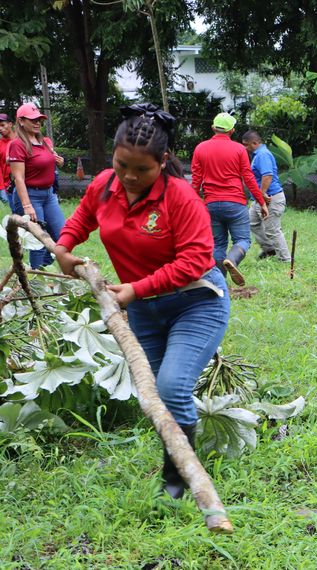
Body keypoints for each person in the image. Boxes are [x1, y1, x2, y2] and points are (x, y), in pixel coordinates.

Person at [54, 103, 230, 500]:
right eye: (121, 165)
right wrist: (64, 247)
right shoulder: (103, 185)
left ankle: (177, 482)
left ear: (163, 161)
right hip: (145, 313)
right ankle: (179, 462)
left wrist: (136, 288)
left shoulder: (181, 198)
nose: (130, 177)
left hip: (195, 302)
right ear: (112, 157)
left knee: (170, 387)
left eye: (142, 170)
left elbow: (196, 260)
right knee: (151, 393)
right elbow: (82, 219)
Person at [191, 113, 268, 286]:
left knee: (218, 244)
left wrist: (192, 203)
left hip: (210, 204)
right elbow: (248, 178)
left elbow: (196, 180)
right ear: (232, 131)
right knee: (243, 240)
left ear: (213, 128)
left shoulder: (200, 148)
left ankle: (218, 282)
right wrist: (261, 202)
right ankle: (232, 259)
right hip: (235, 203)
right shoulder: (239, 149)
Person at [7, 103, 65, 269]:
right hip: (30, 195)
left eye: (39, 119)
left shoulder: (44, 141)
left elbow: (48, 162)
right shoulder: (17, 144)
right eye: (32, 119)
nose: (37, 122)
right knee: (38, 242)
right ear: (21, 121)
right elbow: (18, 177)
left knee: (62, 235)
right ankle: (38, 282)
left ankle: (43, 270)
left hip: (49, 195)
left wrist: (59, 162)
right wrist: (27, 206)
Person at [241, 131, 291, 264]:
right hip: (260, 199)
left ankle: (285, 259)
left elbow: (267, 175)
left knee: (272, 230)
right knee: (251, 221)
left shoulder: (262, 155)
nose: (245, 148)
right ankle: (269, 249)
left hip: (270, 198)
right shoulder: (258, 155)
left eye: (246, 145)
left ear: (255, 143)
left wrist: (262, 193)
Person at [0, 112, 14, 204]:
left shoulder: (21, 141)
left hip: (25, 185)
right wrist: (1, 189)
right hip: (7, 187)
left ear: (10, 124)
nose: (0, 128)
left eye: (2, 125)